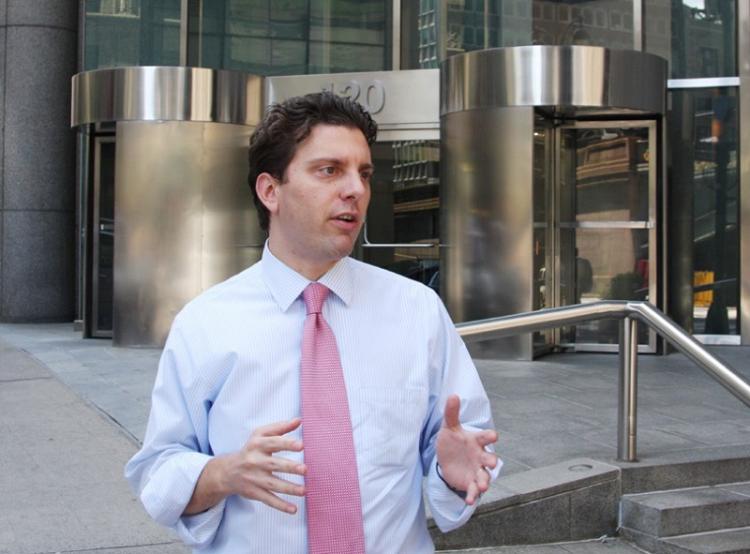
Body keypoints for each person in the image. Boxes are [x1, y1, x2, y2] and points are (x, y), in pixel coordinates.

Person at [125, 92, 500, 553]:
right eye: (329, 170)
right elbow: (158, 469)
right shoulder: (206, 322)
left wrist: (452, 472)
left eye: (364, 173)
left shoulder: (417, 310)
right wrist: (223, 473)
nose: (355, 189)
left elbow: (462, 438)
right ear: (270, 191)